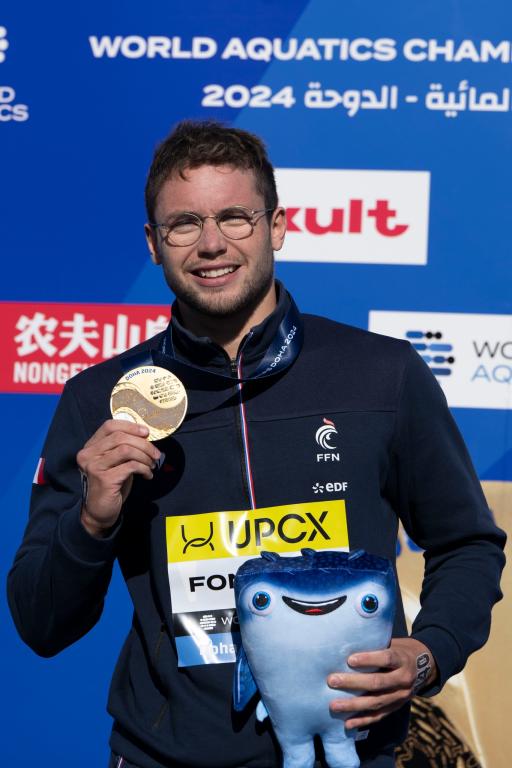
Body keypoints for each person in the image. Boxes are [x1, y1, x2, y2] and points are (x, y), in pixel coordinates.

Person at [8, 120, 505, 768]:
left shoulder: (383, 374)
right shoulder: (98, 400)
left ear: (277, 226)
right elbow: (41, 624)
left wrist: (428, 650)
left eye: (235, 218)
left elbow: (467, 543)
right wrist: (92, 521)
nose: (211, 244)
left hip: (353, 752)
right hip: (165, 756)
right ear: (154, 245)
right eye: (184, 224)